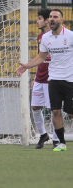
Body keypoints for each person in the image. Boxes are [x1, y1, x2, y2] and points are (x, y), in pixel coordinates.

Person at [16, 9, 73, 151]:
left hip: (69, 80)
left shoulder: (71, 36)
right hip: (53, 79)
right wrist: (26, 67)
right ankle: (60, 143)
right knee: (55, 111)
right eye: (51, 17)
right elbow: (41, 57)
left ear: (62, 20)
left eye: (55, 17)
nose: (52, 19)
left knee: (71, 114)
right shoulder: (46, 37)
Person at [31, 9, 59, 149]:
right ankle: (43, 134)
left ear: (47, 20)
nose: (37, 21)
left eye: (40, 18)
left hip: (51, 80)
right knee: (35, 107)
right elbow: (40, 59)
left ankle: (56, 139)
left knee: (54, 110)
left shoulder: (57, 37)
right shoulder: (40, 37)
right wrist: (35, 78)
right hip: (39, 79)